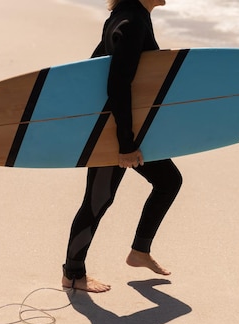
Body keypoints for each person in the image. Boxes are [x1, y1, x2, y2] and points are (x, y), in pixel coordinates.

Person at [62, 0, 182, 293]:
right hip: (114, 134)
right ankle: (73, 274)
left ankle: (140, 251)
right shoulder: (132, 21)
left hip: (124, 129)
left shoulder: (129, 16)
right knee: (97, 200)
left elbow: (95, 64)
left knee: (168, 181)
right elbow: (117, 83)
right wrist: (125, 144)